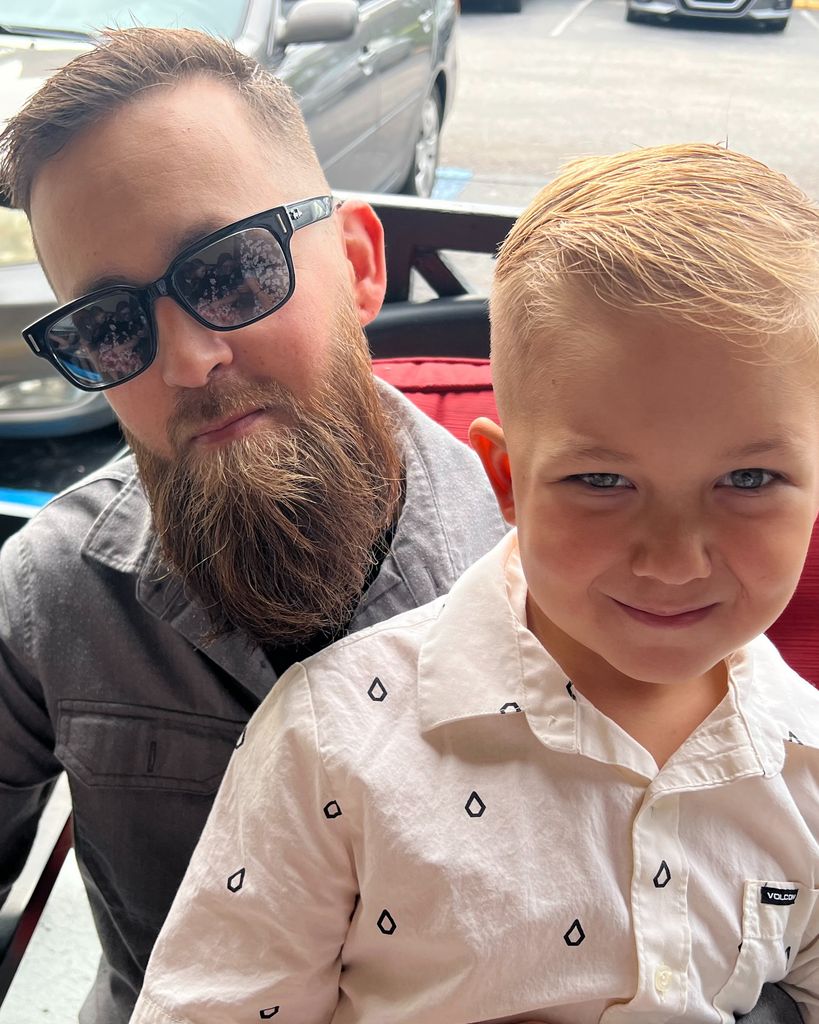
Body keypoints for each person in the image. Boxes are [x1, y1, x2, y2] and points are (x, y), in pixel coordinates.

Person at [130, 144, 819, 1024]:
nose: (674, 560)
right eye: (601, 482)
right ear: (504, 481)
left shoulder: (804, 760)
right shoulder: (332, 740)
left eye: (748, 481)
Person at [0, 27, 508, 1024]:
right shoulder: (51, 599)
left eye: (230, 272)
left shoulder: (541, 562)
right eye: (110, 325)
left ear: (359, 265)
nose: (188, 360)